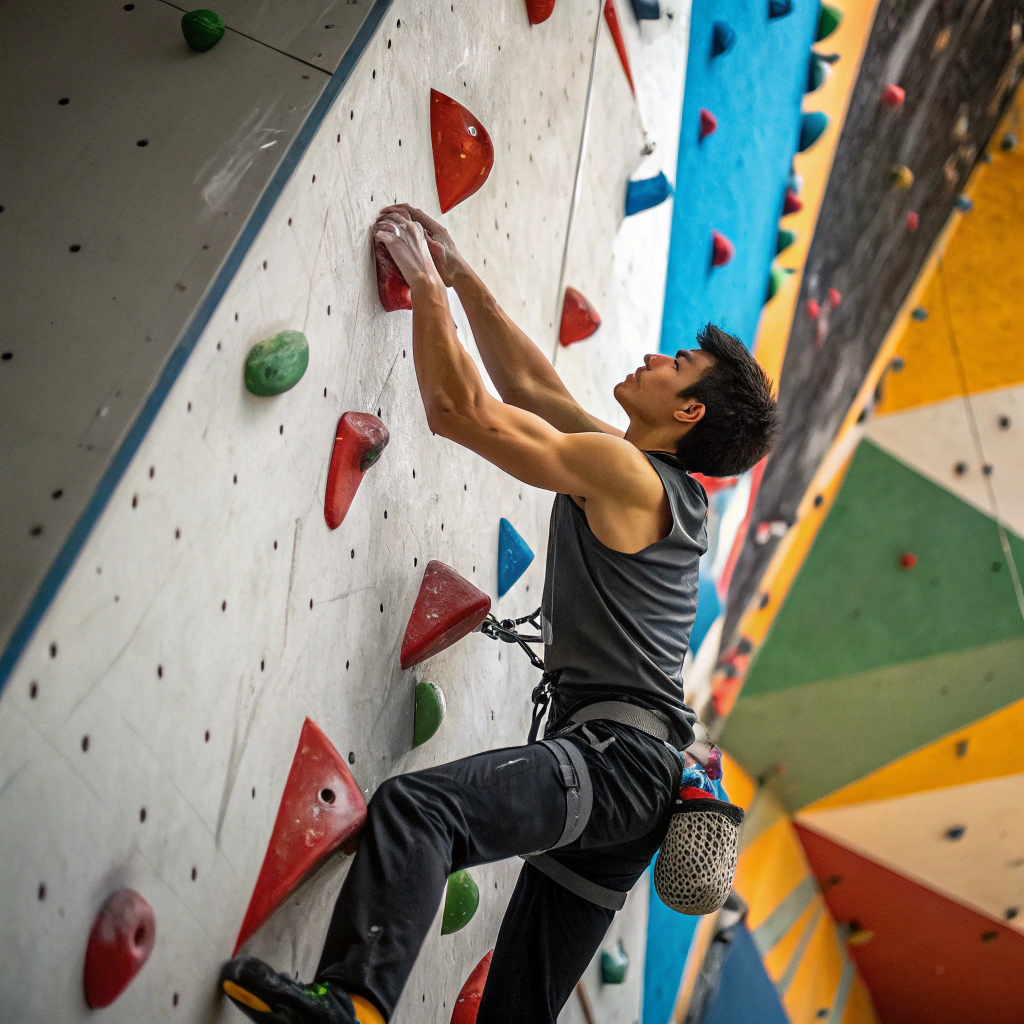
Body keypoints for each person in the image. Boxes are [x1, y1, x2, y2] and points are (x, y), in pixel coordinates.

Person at [220, 205, 777, 1024]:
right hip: (640, 784)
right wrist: (459, 274)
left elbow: (463, 412)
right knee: (517, 1010)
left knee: (422, 811)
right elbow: (533, 391)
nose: (658, 356)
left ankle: (351, 1005)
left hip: (617, 762)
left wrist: (424, 285)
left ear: (689, 411)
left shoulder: (628, 475)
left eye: (678, 363)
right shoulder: (658, 484)